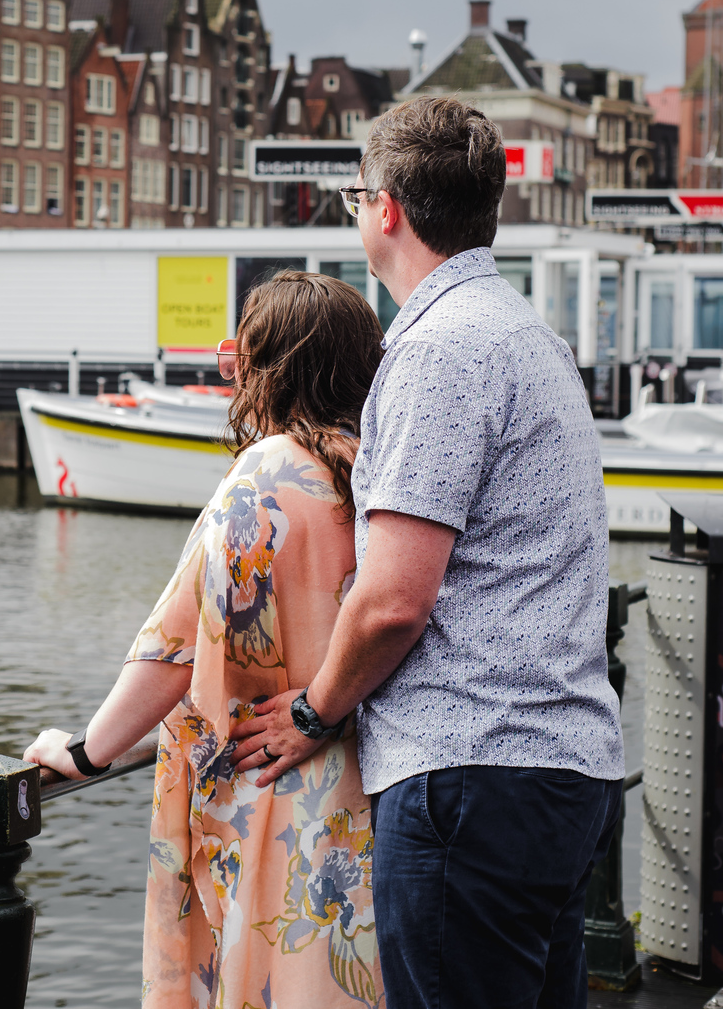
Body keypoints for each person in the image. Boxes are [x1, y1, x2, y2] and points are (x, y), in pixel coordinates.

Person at [233, 96, 625, 1009]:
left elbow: (394, 599)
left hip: (470, 776)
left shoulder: (438, 351)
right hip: (565, 768)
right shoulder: (533, 337)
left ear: (388, 209)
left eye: (355, 194)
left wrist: (317, 711)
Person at [24, 271, 386, 1008]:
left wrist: (89, 750)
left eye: (239, 354)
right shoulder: (376, 471)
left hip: (272, 795)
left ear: (271, 365)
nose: (231, 371)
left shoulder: (269, 474)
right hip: (365, 792)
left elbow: (177, 646)